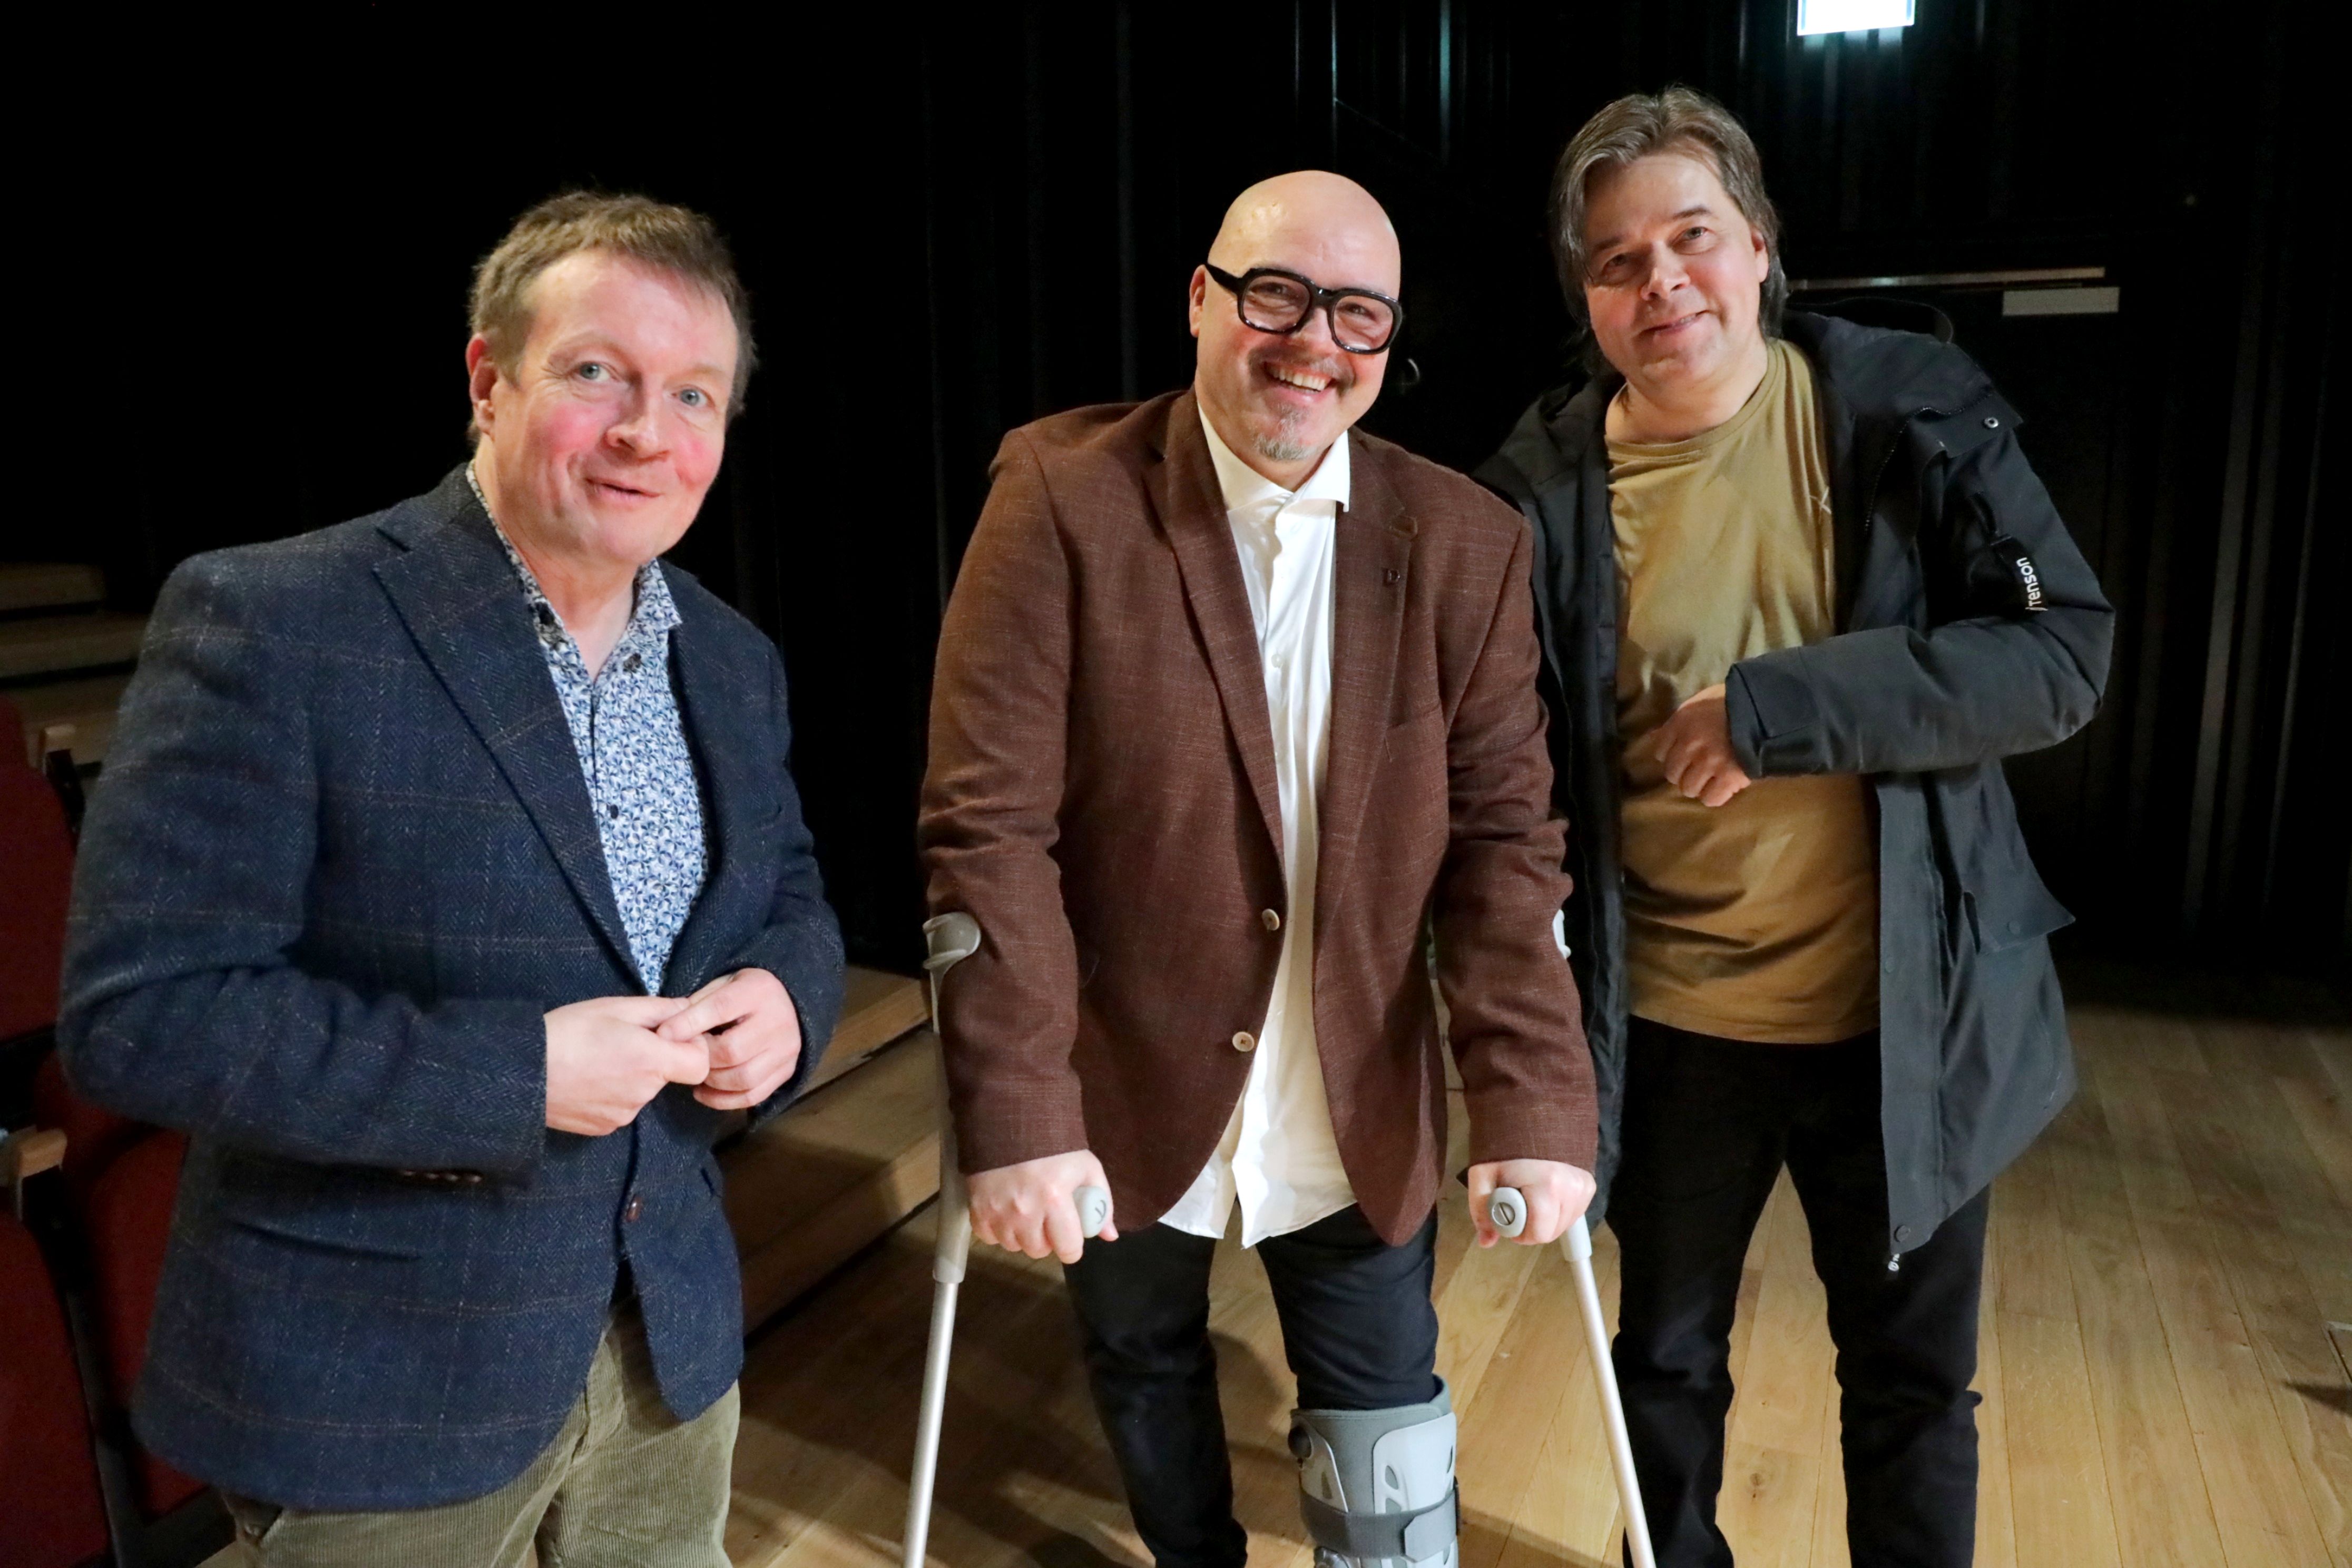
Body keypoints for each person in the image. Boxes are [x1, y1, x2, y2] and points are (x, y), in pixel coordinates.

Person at [57, 192, 845, 1567]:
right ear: (489, 379)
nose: (647, 432)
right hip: (380, 1382)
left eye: (694, 395)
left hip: (666, 1349)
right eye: (597, 372)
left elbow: (790, 899)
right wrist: (514, 1077)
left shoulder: (731, 659)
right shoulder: (276, 621)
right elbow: (145, 1016)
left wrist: (787, 996)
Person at [919, 170, 1597, 1568]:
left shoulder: (1467, 542)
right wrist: (1022, 1105)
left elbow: (1506, 846)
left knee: (1384, 1426)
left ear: (1389, 338)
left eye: (1358, 314)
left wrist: (1533, 1096)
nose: (1313, 343)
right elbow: (990, 828)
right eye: (1276, 295)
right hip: (1125, 1077)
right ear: (1201, 300)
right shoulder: (1060, 493)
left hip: (1352, 1091)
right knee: (1144, 1359)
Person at [1478, 89, 2115, 1568]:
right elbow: (1505, 787)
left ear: (1761, 247)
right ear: (1586, 297)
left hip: (1911, 1015)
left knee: (1912, 1389)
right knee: (1664, 1372)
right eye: (1617, 261)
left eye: (1692, 237)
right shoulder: (1534, 499)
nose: (1663, 283)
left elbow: (2060, 654)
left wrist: (1780, 710)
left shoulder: (1911, 415)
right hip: (1672, 1029)